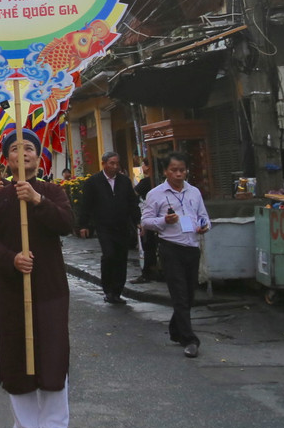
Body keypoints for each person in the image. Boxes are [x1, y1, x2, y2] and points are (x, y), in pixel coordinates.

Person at [0, 128, 74, 428]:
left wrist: (37, 200)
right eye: (15, 149)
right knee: (18, 352)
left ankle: (55, 424)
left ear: (38, 156)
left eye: (29, 148)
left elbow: (66, 223)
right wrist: (12, 259)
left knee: (53, 350)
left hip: (50, 286)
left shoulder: (53, 191)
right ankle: (25, 423)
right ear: (7, 159)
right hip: (12, 288)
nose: (23, 153)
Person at [141, 151, 211, 358]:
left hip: (192, 247)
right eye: (174, 170)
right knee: (179, 294)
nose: (179, 174)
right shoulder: (156, 194)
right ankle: (190, 340)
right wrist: (164, 220)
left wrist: (204, 226)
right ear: (165, 171)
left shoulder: (194, 192)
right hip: (171, 247)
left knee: (189, 294)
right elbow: (145, 221)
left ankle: (175, 329)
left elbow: (204, 216)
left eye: (182, 170)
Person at [76, 151, 141, 304]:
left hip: (122, 225)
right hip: (104, 226)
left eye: (117, 163)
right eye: (112, 163)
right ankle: (108, 289)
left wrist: (138, 221)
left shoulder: (124, 181)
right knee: (109, 255)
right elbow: (86, 205)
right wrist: (83, 225)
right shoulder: (93, 182)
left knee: (121, 258)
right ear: (104, 164)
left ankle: (117, 291)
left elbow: (132, 202)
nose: (115, 166)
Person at [132, 165, 160, 284]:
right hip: (154, 217)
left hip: (147, 216)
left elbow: (133, 194)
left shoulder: (146, 182)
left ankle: (148, 272)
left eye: (144, 164)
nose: (142, 166)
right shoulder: (156, 182)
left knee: (148, 246)